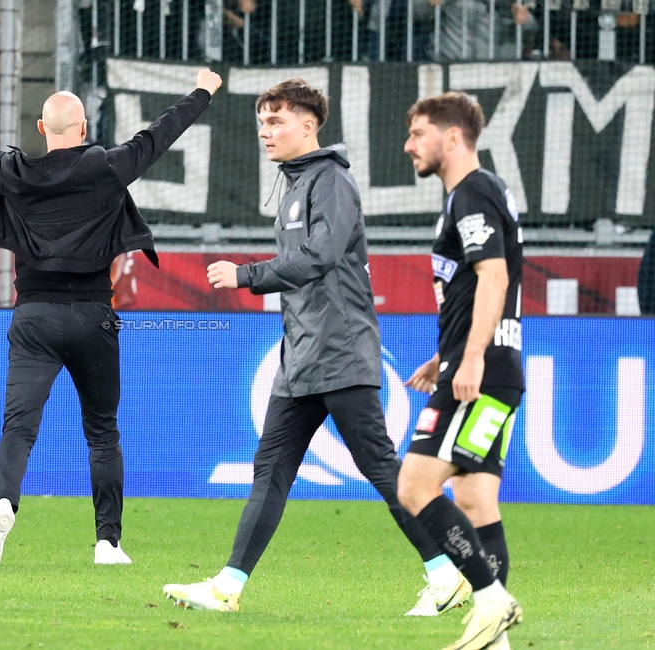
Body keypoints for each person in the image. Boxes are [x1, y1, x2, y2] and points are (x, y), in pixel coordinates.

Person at [162, 78, 468, 616]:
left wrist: (246, 274)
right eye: (262, 121)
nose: (265, 131)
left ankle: (448, 571)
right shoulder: (295, 184)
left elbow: (321, 256)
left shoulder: (330, 181)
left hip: (341, 352)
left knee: (382, 469)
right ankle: (227, 586)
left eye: (276, 121)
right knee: (271, 471)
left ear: (309, 125)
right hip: (301, 357)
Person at [0, 68, 223, 566]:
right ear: (83, 130)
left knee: (18, 427)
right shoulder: (106, 167)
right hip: (94, 317)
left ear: (42, 129)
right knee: (102, 431)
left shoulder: (12, 171)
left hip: (34, 315)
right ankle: (107, 542)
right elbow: (160, 134)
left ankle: (4, 504)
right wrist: (203, 90)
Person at [398, 91, 524, 650]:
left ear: (452, 137)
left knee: (414, 485)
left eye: (418, 133)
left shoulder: (471, 192)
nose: (408, 145)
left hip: (482, 369)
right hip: (485, 363)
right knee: (475, 500)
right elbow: (475, 291)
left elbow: (494, 277)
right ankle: (491, 638)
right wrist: (447, 355)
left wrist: (468, 359)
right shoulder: (473, 194)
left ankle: (491, 599)